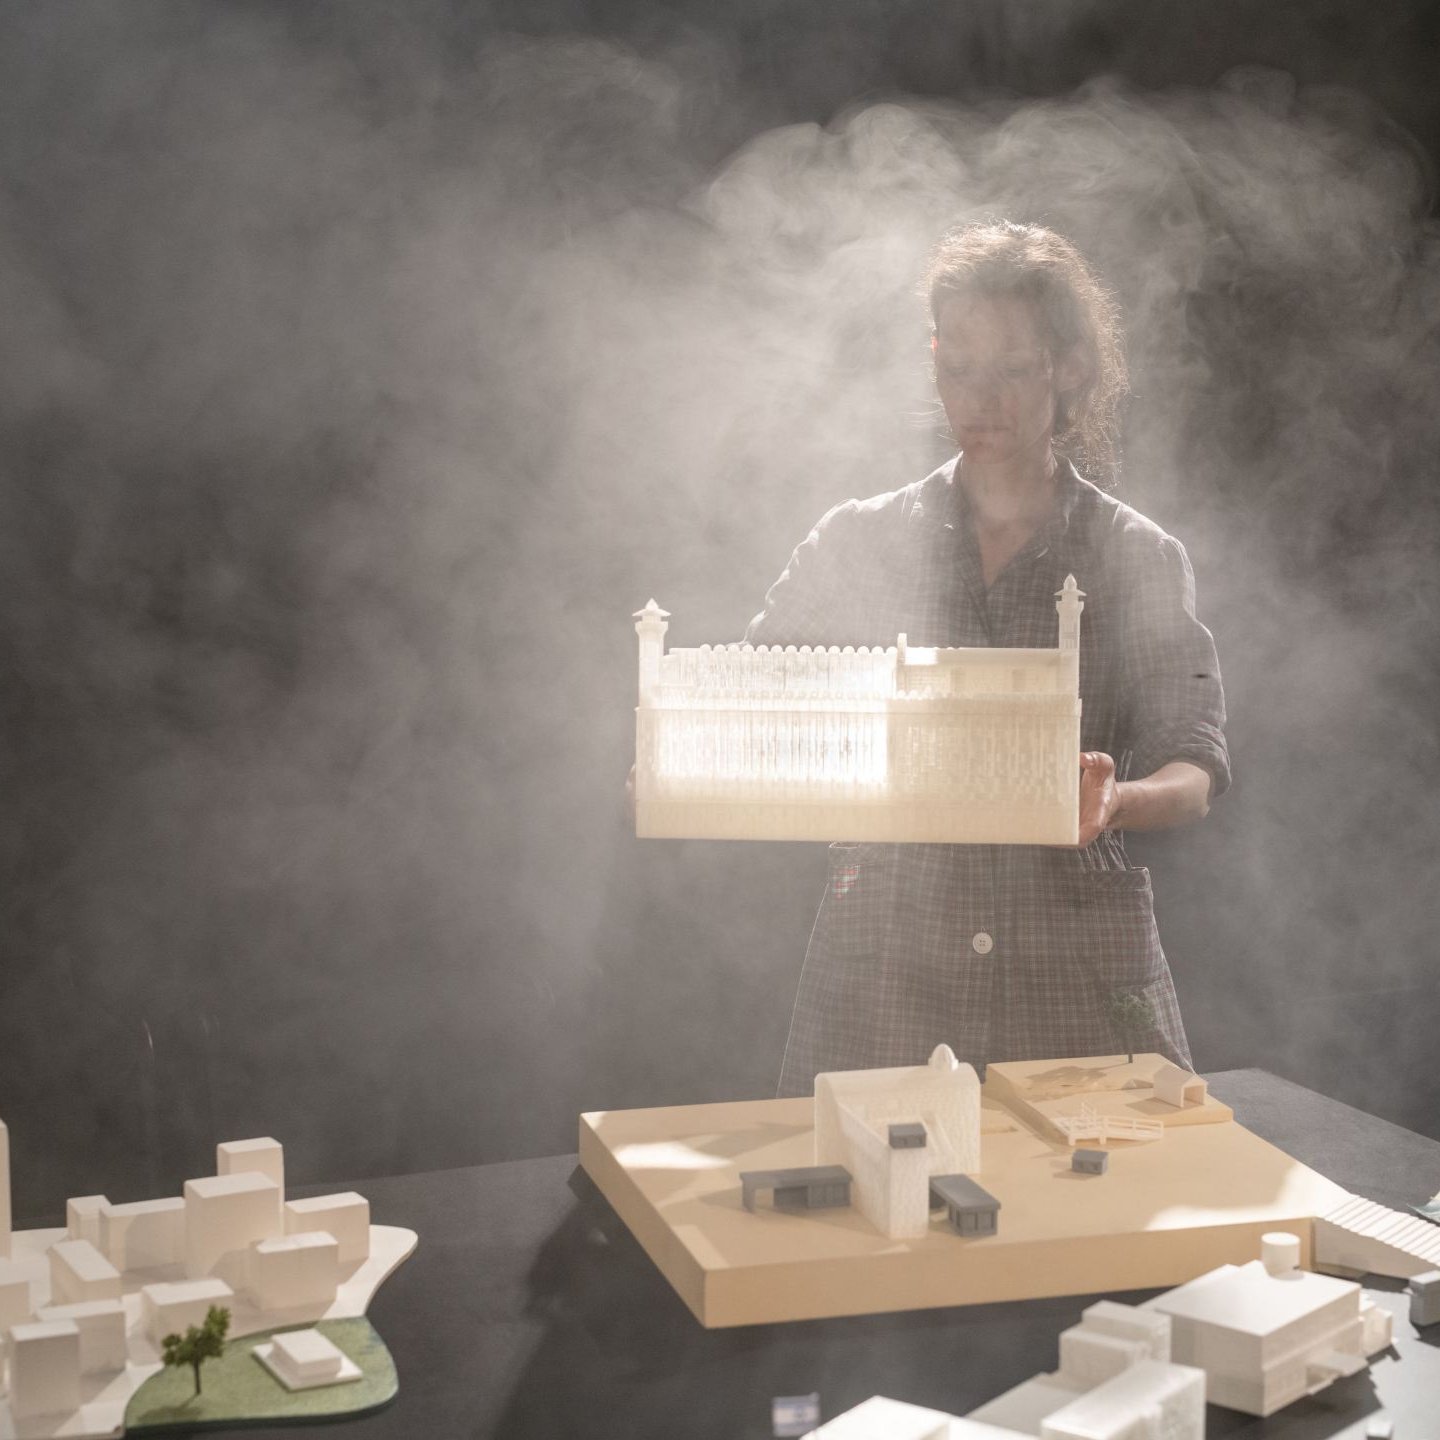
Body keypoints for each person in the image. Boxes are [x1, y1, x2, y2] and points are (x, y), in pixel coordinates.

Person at [745, 221, 1230, 1097]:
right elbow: (745, 707)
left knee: (1092, 1216)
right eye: (958, 367)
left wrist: (1115, 797)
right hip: (887, 960)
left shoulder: (1136, 554)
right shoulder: (857, 540)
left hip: (1069, 962)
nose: (981, 398)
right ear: (932, 359)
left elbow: (1194, 765)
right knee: (863, 1214)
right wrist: (678, 768)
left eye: (1013, 368)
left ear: (1070, 367)